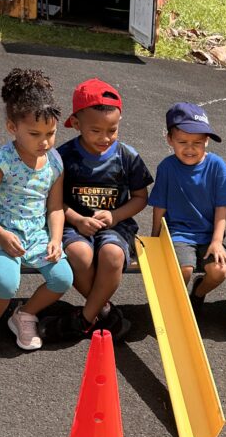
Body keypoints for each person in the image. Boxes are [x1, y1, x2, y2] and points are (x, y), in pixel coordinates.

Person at [0, 69, 74, 367]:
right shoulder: (1, 161)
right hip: (0, 233)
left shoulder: (55, 161)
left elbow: (55, 208)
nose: (45, 142)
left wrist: (56, 238)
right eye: (35, 134)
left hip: (36, 234)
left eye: (50, 133)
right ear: (12, 127)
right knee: (6, 282)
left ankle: (25, 314)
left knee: (63, 277)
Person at [45, 78, 152, 341]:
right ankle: (105, 312)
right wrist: (77, 219)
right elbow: (53, 201)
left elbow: (141, 197)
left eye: (112, 130)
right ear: (76, 124)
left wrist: (116, 215)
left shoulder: (127, 156)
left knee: (112, 255)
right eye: (95, 130)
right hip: (74, 224)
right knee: (78, 254)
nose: (105, 138)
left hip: (118, 225)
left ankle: (84, 318)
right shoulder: (63, 157)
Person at [148, 102, 226, 315]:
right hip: (179, 233)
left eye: (197, 142)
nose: (190, 148)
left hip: (209, 234)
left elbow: (222, 206)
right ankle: (176, 307)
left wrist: (217, 241)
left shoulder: (217, 165)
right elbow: (160, 206)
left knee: (219, 271)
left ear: (207, 141)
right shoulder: (167, 167)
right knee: (183, 270)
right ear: (169, 139)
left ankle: (197, 293)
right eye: (182, 142)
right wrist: (155, 238)